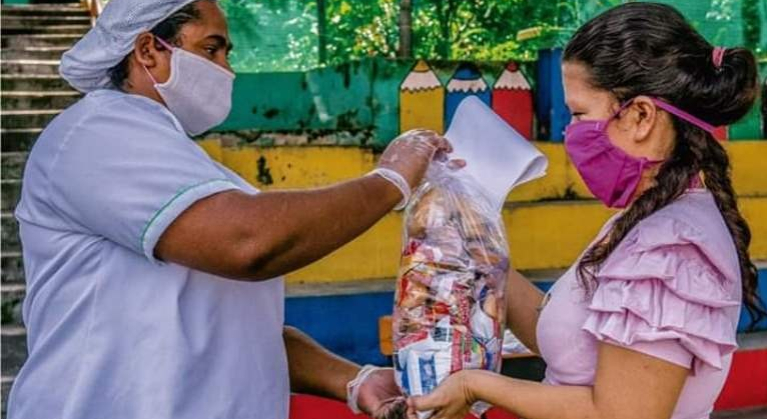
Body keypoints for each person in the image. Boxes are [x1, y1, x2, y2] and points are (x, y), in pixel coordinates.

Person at [6, 1, 460, 418]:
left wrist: (351, 379)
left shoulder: (180, 161)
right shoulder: (98, 134)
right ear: (148, 50)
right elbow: (248, 244)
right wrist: (389, 181)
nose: (227, 69)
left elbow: (230, 329)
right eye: (212, 49)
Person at [407, 3, 766, 419]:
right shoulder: (647, 222)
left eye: (579, 113)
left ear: (640, 116)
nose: (570, 132)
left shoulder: (671, 248)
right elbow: (575, 344)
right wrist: (479, 251)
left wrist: (474, 386)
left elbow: (622, 413)